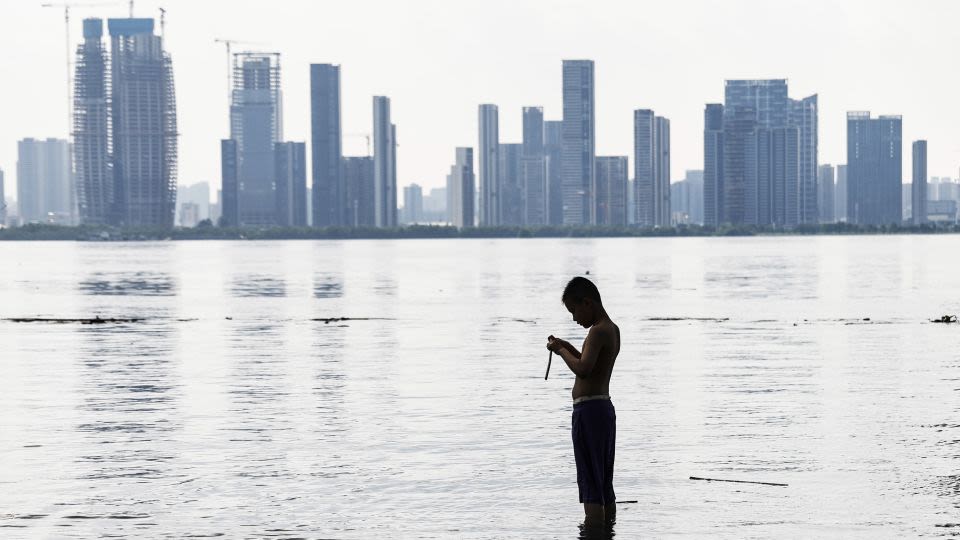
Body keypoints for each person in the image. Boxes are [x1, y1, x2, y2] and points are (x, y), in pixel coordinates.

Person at [547, 276, 620, 524]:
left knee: (590, 484)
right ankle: (608, 530)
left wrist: (561, 351)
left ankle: (595, 532)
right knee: (603, 484)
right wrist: (566, 346)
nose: (574, 317)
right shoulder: (611, 329)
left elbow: (584, 369)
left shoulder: (598, 331)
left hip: (590, 412)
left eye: (574, 310)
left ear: (588, 303)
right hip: (602, 410)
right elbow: (590, 362)